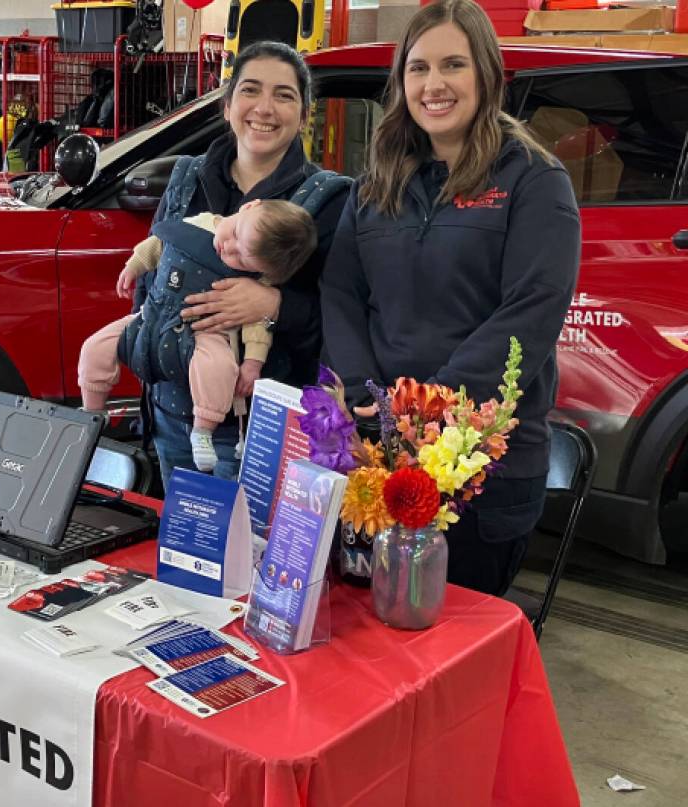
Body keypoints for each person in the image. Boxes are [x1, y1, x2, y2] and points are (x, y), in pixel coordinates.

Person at [320, 0, 580, 596]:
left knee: (451, 651)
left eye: (453, 66)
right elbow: (341, 291)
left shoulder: (533, 181)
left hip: (483, 467)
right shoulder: (377, 182)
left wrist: (429, 410)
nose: (434, 85)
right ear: (401, 80)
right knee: (373, 643)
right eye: (418, 68)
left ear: (487, 74)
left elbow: (532, 308)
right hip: (378, 453)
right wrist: (365, 392)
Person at [137, 41, 351, 487]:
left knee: (253, 554)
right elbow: (149, 283)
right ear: (229, 103)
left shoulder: (329, 200)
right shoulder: (185, 179)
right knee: (183, 550)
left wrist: (272, 304)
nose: (265, 108)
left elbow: (345, 323)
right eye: (251, 90)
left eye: (285, 95)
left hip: (264, 434)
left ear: (304, 112)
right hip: (171, 418)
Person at [79, 198, 318, 472]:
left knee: (220, 369)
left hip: (206, 331)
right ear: (249, 206)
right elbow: (158, 245)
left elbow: (257, 326)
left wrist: (253, 363)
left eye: (240, 257)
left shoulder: (253, 282)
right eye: (236, 233)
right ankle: (93, 414)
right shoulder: (196, 223)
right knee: (95, 347)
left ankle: (203, 431)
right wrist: (134, 266)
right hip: (154, 315)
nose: (228, 248)